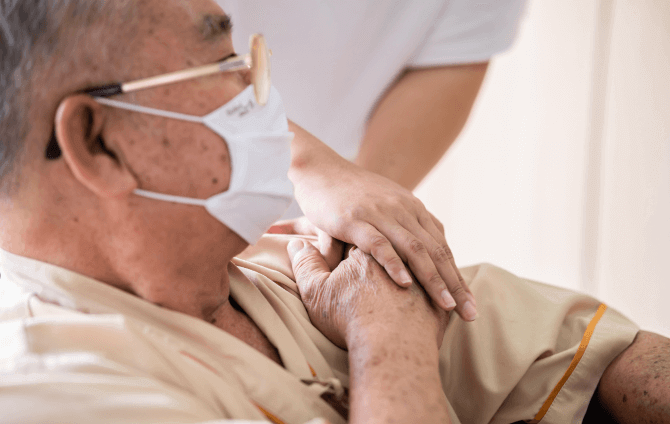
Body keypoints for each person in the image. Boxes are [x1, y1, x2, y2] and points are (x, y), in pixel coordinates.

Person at [0, 1, 668, 423]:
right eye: (225, 62)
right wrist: (390, 348)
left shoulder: (294, 271)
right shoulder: (53, 388)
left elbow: (609, 360)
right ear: (95, 140)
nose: (266, 98)